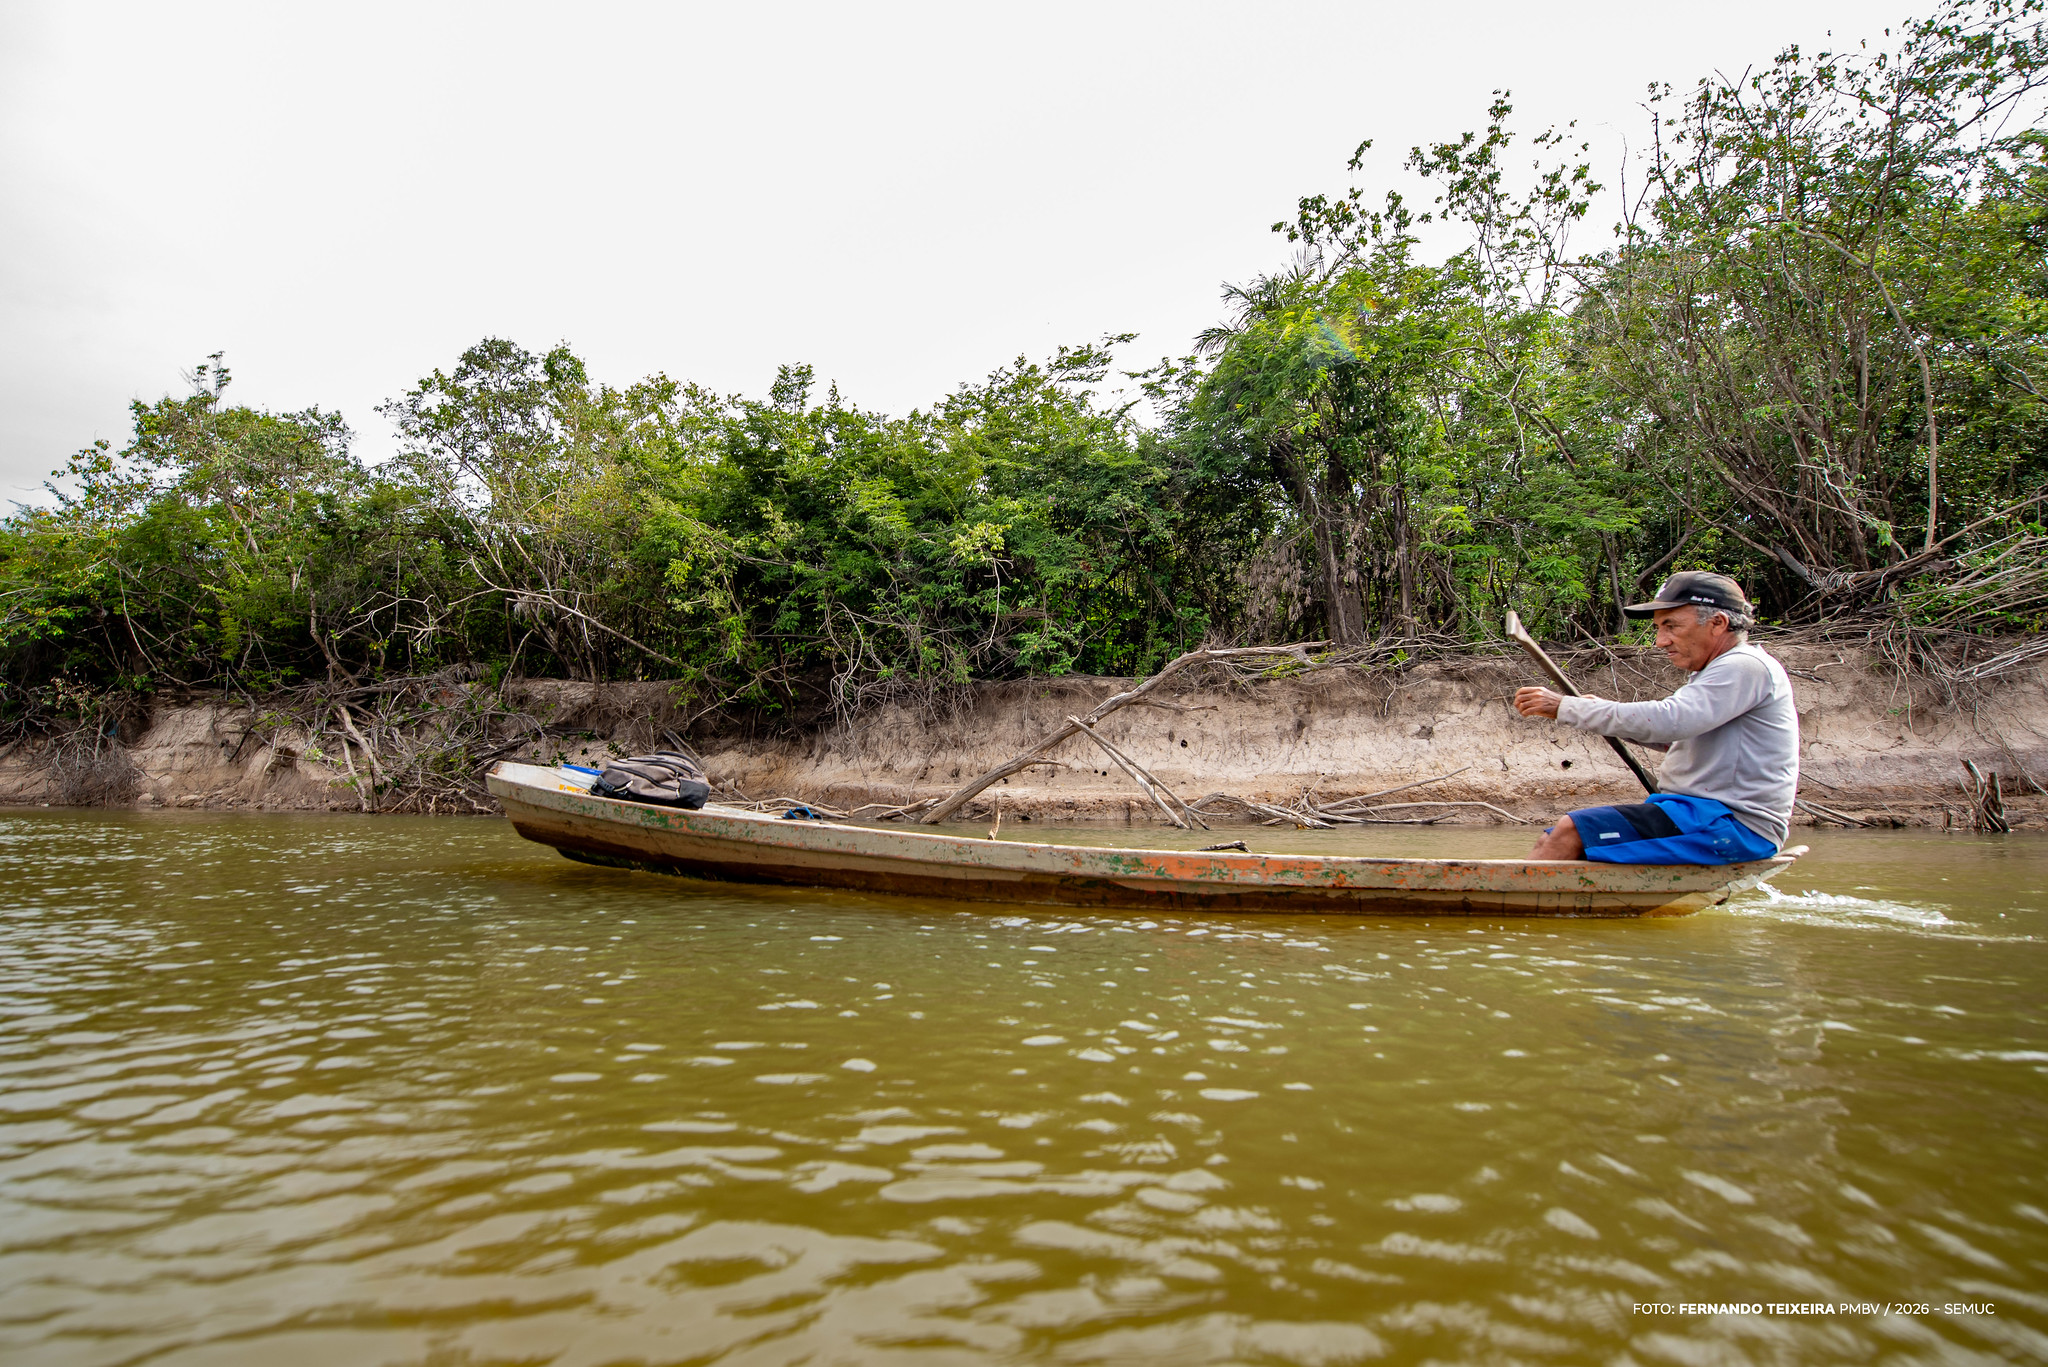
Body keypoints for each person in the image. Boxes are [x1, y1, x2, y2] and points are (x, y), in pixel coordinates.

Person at [1512, 571, 1798, 864]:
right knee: (1579, 842)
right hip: (1701, 816)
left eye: (1671, 626)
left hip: (1729, 824)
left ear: (1718, 623)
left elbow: (1670, 721)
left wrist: (1567, 707)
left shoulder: (1743, 665)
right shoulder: (1716, 670)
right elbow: (1674, 735)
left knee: (1569, 833)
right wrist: (1592, 711)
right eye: (1659, 628)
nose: (1661, 641)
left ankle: (1515, 905)